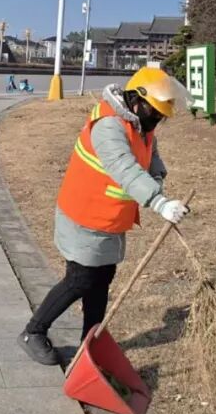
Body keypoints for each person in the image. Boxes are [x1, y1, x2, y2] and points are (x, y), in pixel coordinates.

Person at [18, 68, 190, 365]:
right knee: (80, 279)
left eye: (161, 116)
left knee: (102, 279)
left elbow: (150, 154)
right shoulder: (109, 126)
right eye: (155, 112)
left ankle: (90, 342)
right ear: (136, 100)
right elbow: (124, 167)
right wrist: (159, 202)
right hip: (83, 214)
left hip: (109, 218)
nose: (157, 120)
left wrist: (158, 176)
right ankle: (33, 332)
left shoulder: (140, 124)